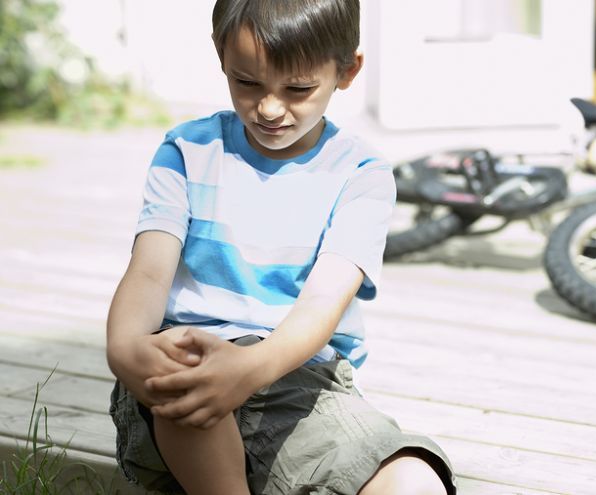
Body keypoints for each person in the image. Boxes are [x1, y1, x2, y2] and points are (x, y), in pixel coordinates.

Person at [105, 0, 456, 493]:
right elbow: (148, 272)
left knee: (415, 481)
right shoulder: (187, 153)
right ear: (221, 55)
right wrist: (124, 348)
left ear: (347, 70)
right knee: (190, 384)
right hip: (185, 373)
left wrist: (249, 369)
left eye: (298, 89)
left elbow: (322, 303)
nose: (269, 108)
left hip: (299, 381)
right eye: (246, 82)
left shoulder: (361, 175)